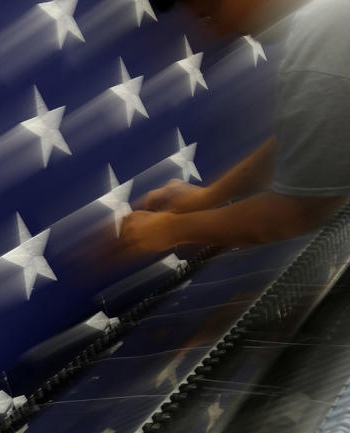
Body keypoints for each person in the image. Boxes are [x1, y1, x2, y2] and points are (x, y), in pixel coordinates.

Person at [121, 0, 350, 253]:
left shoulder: (320, 43)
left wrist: (170, 229)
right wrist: (207, 197)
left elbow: (298, 212)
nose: (221, 31)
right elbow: (307, 138)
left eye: (212, 12)